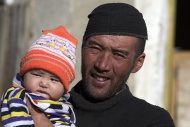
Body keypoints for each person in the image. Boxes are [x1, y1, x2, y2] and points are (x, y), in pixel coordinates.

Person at [28, 3, 176, 127]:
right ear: (82, 48)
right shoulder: (35, 105)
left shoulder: (151, 121)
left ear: (138, 63)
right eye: (95, 48)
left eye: (118, 55)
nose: (102, 65)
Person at [0, 26, 77, 127]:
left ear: (64, 87)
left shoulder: (64, 103)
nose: (44, 83)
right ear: (24, 75)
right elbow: (17, 123)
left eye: (53, 79)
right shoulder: (18, 96)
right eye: (37, 75)